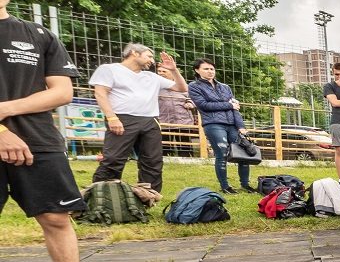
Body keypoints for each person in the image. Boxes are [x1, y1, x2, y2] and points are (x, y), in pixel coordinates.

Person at [0, 0, 110, 262]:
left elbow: (61, 92)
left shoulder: (38, 35)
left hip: (38, 139)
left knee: (56, 217)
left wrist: (5, 110)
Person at [91, 41, 185, 195]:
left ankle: (148, 197)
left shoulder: (151, 77)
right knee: (114, 159)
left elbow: (182, 88)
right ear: (134, 53)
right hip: (122, 119)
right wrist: (112, 118)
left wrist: (174, 71)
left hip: (150, 121)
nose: (152, 60)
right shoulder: (109, 69)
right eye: (149, 56)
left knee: (152, 162)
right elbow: (100, 93)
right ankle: (102, 196)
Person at [188, 57, 252, 193]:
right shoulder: (194, 86)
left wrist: (241, 126)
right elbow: (204, 105)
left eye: (212, 68)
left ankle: (246, 184)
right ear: (197, 70)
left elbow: (235, 108)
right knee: (221, 154)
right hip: (213, 124)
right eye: (206, 69)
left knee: (243, 152)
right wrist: (228, 104)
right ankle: (225, 186)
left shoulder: (225, 87)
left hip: (232, 124)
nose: (210, 71)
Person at [155, 53, 198, 156]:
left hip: (182, 120)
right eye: (159, 71)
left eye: (164, 71)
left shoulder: (182, 86)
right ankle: (166, 157)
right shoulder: (156, 86)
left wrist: (190, 103)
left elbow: (193, 98)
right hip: (164, 120)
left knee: (184, 143)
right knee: (165, 143)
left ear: (171, 73)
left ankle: (187, 158)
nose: (161, 73)